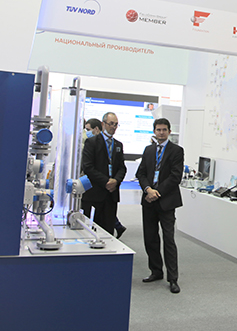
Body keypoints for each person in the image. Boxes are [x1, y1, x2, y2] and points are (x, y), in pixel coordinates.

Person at [136, 118, 185, 294]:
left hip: (166, 201)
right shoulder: (149, 150)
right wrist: (148, 189)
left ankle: (173, 279)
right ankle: (156, 271)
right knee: (150, 238)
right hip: (148, 201)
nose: (161, 132)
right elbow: (141, 173)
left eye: (164, 130)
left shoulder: (176, 151)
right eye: (158, 129)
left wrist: (157, 192)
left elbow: (175, 176)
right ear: (154, 131)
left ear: (169, 132)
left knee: (168, 240)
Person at [79, 112, 126, 235]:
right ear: (103, 124)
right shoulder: (92, 142)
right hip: (95, 192)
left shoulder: (118, 145)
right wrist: (106, 181)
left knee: (108, 231)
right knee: (91, 231)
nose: (113, 127)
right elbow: (88, 167)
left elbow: (122, 168)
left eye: (116, 124)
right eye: (111, 124)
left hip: (111, 195)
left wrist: (116, 181)